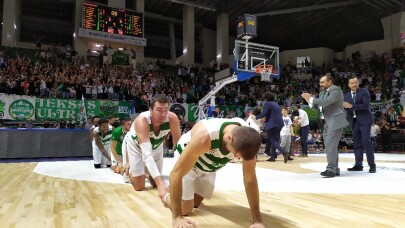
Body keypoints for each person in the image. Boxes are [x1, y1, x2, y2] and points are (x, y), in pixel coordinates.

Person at [165, 117, 266, 228]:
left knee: (196, 202)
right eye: (236, 155)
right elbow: (176, 174)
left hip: (210, 165)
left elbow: (250, 179)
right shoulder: (204, 137)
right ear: (229, 138)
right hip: (190, 162)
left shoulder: (247, 140)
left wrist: (258, 220)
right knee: (185, 209)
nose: (237, 158)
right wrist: (177, 218)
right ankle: (165, 195)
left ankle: (181, 194)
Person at [126, 95, 181, 203]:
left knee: (155, 182)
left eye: (166, 110)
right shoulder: (142, 120)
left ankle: (146, 172)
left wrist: (181, 176)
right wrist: (162, 184)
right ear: (150, 110)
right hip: (136, 147)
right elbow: (146, 154)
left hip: (156, 146)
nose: (163, 114)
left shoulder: (172, 118)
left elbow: (178, 147)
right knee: (139, 186)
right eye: (159, 110)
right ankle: (131, 171)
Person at [302, 75, 348, 178]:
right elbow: (319, 106)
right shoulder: (322, 93)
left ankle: (330, 169)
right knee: (330, 146)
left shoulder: (336, 90)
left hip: (335, 120)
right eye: (320, 82)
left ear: (330, 82)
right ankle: (335, 169)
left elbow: (326, 102)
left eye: (322, 82)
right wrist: (309, 101)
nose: (320, 84)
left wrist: (312, 98)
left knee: (330, 146)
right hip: (326, 122)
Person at [343, 77, 376, 173]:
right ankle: (358, 164)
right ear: (349, 85)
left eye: (356, 82)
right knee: (357, 143)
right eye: (352, 83)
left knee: (366, 141)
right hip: (353, 121)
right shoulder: (347, 94)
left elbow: (366, 105)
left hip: (364, 120)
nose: (354, 84)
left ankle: (372, 165)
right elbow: (347, 109)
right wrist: (345, 107)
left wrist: (351, 106)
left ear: (358, 83)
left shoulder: (364, 91)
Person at [255, 92, 289, 163]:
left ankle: (284, 152)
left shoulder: (267, 103)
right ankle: (273, 157)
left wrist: (256, 117)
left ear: (266, 98)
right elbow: (271, 114)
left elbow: (264, 113)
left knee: (273, 140)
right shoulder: (276, 103)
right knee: (275, 140)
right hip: (280, 124)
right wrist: (266, 118)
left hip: (272, 124)